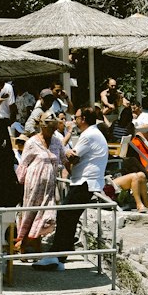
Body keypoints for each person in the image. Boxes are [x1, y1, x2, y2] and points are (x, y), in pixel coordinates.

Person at [43, 105, 109, 269]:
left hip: (85, 181)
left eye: (77, 118)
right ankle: (61, 254)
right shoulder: (93, 133)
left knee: (65, 214)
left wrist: (63, 151)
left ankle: (57, 254)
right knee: (69, 217)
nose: (74, 120)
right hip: (86, 181)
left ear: (84, 119)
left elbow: (73, 156)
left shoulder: (89, 135)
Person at [15, 114, 66, 257]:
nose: (53, 131)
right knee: (30, 215)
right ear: (43, 127)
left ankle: (28, 246)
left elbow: (64, 158)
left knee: (46, 215)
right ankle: (25, 246)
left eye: (54, 128)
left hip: (49, 187)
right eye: (50, 128)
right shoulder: (32, 142)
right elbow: (24, 164)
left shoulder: (57, 142)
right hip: (33, 185)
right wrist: (20, 184)